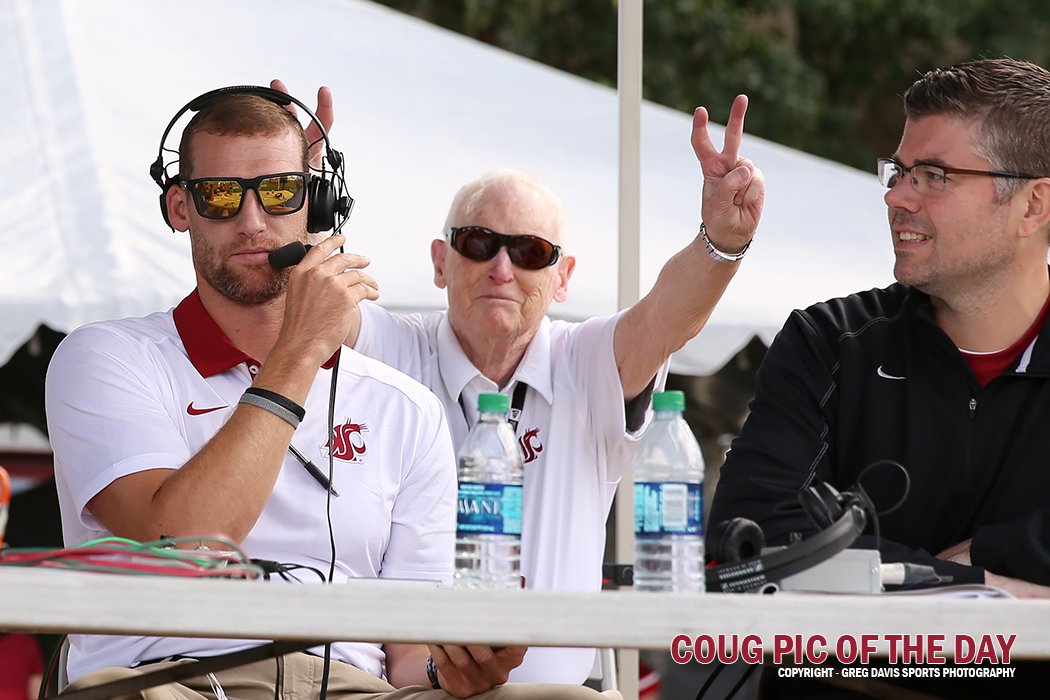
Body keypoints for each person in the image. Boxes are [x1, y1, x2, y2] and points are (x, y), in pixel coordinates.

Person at [45, 88, 605, 700]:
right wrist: (298, 353)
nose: (253, 221)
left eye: (280, 192)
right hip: (174, 681)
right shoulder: (106, 357)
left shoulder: (406, 407)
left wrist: (455, 666)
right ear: (181, 207)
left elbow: (409, 653)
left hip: (354, 689)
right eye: (221, 195)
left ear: (315, 205)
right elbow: (187, 546)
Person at [296, 81, 766, 684]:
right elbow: (312, 301)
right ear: (440, 261)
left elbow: (665, 318)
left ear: (562, 277)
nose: (501, 268)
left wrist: (722, 241)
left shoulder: (584, 361)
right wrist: (296, 194)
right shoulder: (393, 345)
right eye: (478, 243)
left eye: (531, 252)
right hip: (400, 693)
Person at [709, 57, 1050, 695]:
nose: (897, 197)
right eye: (898, 172)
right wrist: (982, 590)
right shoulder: (829, 342)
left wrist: (984, 551)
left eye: (935, 176)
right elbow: (748, 547)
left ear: (1034, 204)